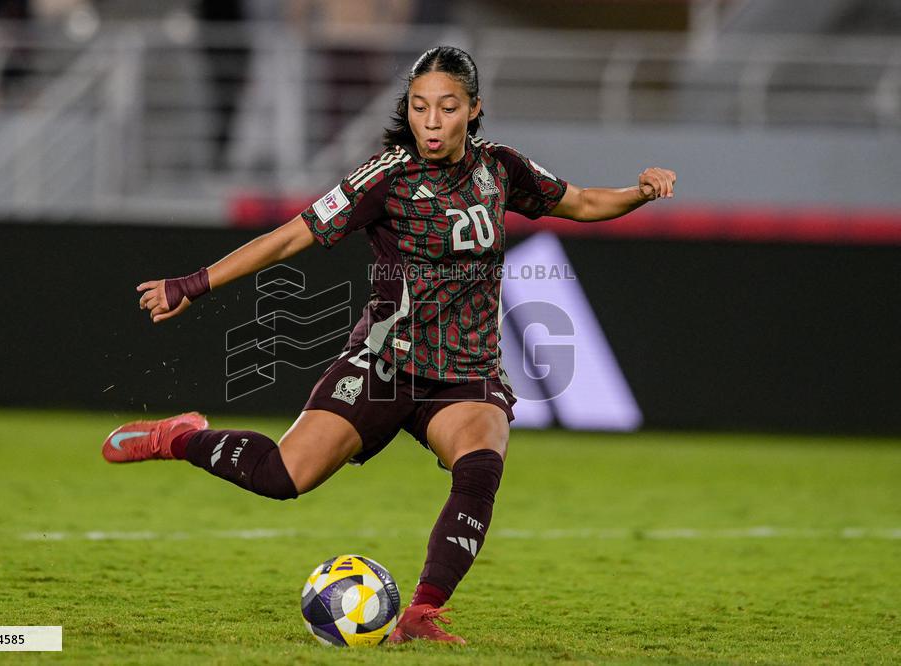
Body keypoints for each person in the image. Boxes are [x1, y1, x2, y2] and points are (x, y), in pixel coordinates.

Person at [102, 45, 676, 645]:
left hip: (466, 370)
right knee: (282, 476)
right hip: (385, 363)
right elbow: (292, 236)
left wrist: (638, 191)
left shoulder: (501, 168)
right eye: (420, 107)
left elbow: (582, 202)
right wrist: (193, 284)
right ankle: (181, 437)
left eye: (447, 107)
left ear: (474, 109)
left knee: (481, 464)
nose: (432, 121)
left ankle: (422, 614)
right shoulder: (385, 176)